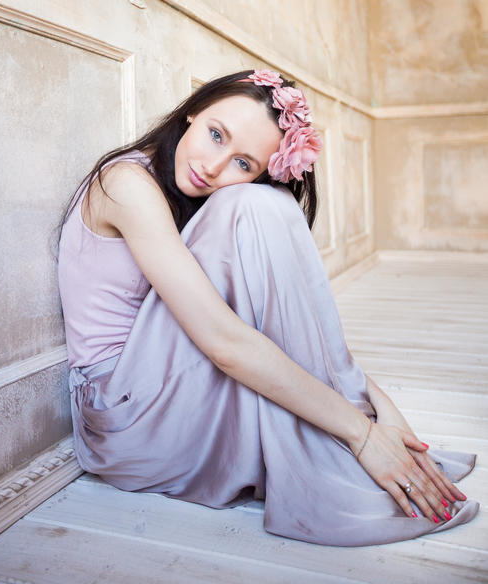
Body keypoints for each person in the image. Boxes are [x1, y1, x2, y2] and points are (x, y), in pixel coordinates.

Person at [58, 69, 478, 547]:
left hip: (171, 390)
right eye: (216, 134)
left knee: (267, 204)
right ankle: (350, 441)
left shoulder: (199, 197)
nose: (213, 167)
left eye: (242, 162)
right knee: (251, 207)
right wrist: (360, 434)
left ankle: (357, 428)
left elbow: (287, 327)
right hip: (123, 420)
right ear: (194, 110)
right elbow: (225, 343)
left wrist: (382, 411)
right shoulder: (126, 184)